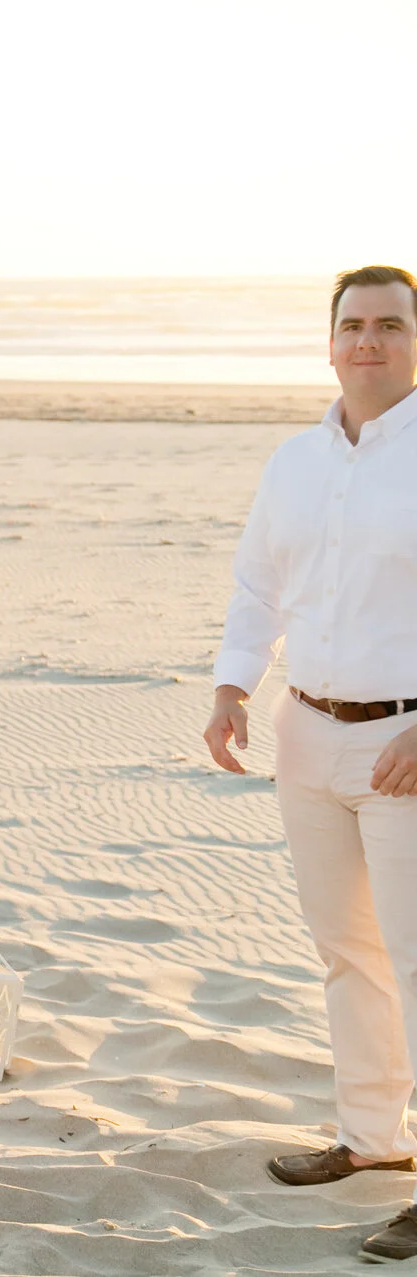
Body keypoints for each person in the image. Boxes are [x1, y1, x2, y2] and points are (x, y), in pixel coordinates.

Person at [204, 266, 417, 1264]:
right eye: (351, 325)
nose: (366, 341)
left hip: (403, 744)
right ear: (327, 341)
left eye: (387, 325)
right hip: (305, 734)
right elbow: (255, 585)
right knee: (346, 951)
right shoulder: (290, 461)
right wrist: (230, 688)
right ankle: (371, 1140)